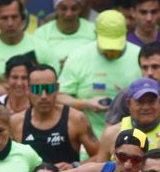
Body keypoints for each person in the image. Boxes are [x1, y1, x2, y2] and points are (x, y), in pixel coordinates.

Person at [12, 64, 98, 172]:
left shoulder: (76, 119)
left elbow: (100, 156)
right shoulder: (16, 122)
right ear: (28, 90)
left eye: (49, 88)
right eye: (37, 89)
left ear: (57, 88)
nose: (43, 96)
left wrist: (75, 166)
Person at [59, 10, 142, 139]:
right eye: (107, 47)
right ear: (96, 34)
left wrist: (129, 97)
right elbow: (58, 97)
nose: (111, 52)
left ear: (126, 34)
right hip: (88, 136)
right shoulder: (78, 57)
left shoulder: (141, 57)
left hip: (132, 138)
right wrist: (85, 104)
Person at [95, 78, 160, 156]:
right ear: (128, 103)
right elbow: (100, 166)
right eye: (140, 102)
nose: (146, 107)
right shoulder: (112, 134)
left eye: (151, 101)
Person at [105, 42, 160, 127]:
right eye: (145, 68)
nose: (149, 73)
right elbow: (110, 130)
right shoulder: (126, 95)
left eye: (155, 67)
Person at [0, 0, 53, 79]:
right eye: (4, 18)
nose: (10, 23)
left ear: (22, 17)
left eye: (14, 17)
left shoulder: (41, 46)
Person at [35, 0, 96, 70]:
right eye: (63, 8)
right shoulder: (42, 33)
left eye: (74, 8)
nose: (69, 14)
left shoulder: (93, 30)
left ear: (80, 9)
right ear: (56, 8)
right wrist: (57, 65)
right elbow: (38, 65)